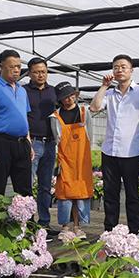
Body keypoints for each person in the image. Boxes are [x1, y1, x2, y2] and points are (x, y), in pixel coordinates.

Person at [90, 54, 139, 234]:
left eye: (123, 67)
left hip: (131, 152)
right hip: (109, 151)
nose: (119, 70)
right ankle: (109, 230)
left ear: (131, 70)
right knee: (110, 193)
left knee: (132, 193)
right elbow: (94, 108)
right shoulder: (109, 94)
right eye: (116, 67)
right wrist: (104, 86)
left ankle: (134, 231)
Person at [0, 49, 33, 200]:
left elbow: (24, 118)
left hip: (22, 142)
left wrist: (28, 142)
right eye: (12, 67)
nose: (16, 70)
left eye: (18, 66)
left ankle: (26, 215)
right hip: (1, 142)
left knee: (25, 188)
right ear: (1, 67)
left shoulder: (22, 91)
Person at [50, 82, 93, 238]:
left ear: (75, 95)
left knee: (81, 193)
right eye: (65, 97)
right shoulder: (55, 117)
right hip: (65, 161)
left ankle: (78, 226)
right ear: (60, 100)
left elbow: (90, 135)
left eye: (71, 95)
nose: (69, 99)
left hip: (82, 160)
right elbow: (57, 139)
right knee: (65, 193)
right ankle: (65, 227)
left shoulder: (84, 112)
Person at [25, 57, 58, 235]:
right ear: (29, 73)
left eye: (43, 72)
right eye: (37, 72)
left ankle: (44, 222)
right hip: (32, 142)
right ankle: (28, 222)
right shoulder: (23, 91)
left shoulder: (53, 92)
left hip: (50, 142)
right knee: (28, 183)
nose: (40, 75)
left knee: (45, 185)